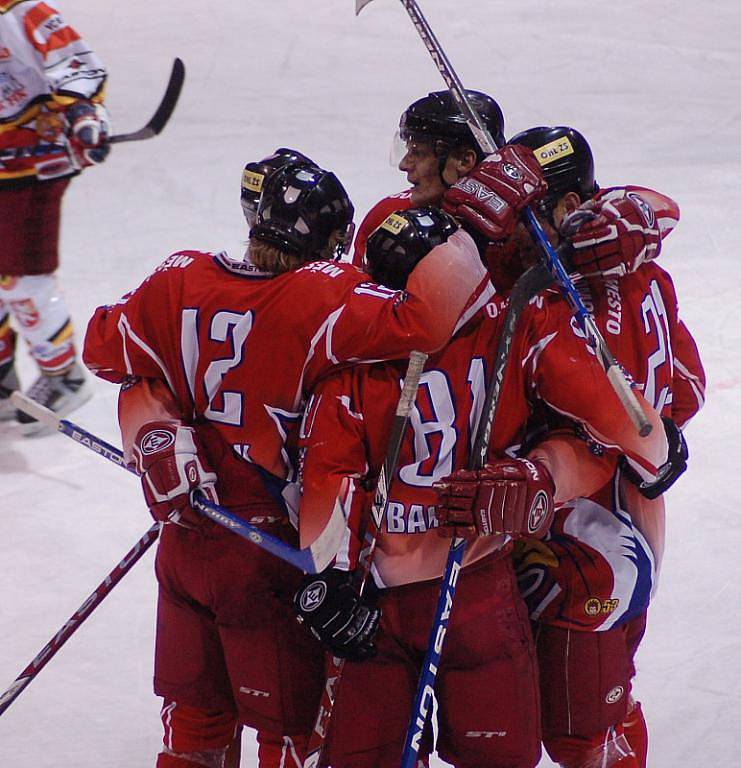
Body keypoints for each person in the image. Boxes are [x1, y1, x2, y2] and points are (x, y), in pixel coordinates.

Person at [82, 150, 541, 767]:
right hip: (274, 561)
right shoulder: (322, 299)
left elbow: (105, 350)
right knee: (291, 733)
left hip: (188, 546)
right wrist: (470, 228)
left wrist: (154, 433)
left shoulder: (177, 279)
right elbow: (429, 320)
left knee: (195, 722)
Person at [293, 187, 672, 768]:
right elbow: (617, 438)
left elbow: (327, 478)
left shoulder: (347, 353)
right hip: (472, 589)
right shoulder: (513, 328)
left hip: (400, 595)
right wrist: (551, 472)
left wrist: (329, 579)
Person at [436, 125, 706, 768]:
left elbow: (642, 443)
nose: (508, 237)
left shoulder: (557, 318)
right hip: (609, 542)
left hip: (585, 553)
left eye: (524, 217)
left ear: (564, 213)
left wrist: (542, 472)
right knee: (604, 715)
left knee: (579, 733)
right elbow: (689, 390)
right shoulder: (642, 272)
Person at [0, 0, 110, 430]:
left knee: (20, 277)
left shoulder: (21, 13)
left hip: (33, 168)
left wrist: (84, 116)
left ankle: (63, 376)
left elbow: (78, 66)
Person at [351, 88, 505, 266]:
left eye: (417, 153)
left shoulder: (514, 241)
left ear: (464, 161)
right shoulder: (388, 217)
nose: (404, 165)